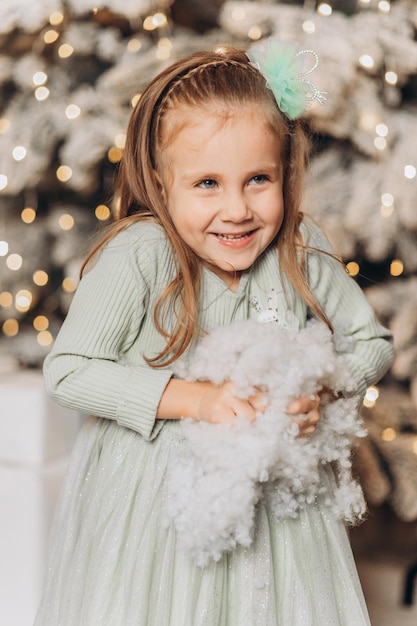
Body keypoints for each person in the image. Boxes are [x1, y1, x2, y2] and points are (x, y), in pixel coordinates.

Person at [35, 37, 393, 625]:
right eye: (207, 184)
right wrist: (197, 400)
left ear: (286, 170)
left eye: (258, 179)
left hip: (275, 498)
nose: (237, 210)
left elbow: (371, 343)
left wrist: (320, 390)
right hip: (156, 503)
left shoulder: (300, 253)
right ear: (160, 178)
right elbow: (70, 371)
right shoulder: (141, 256)